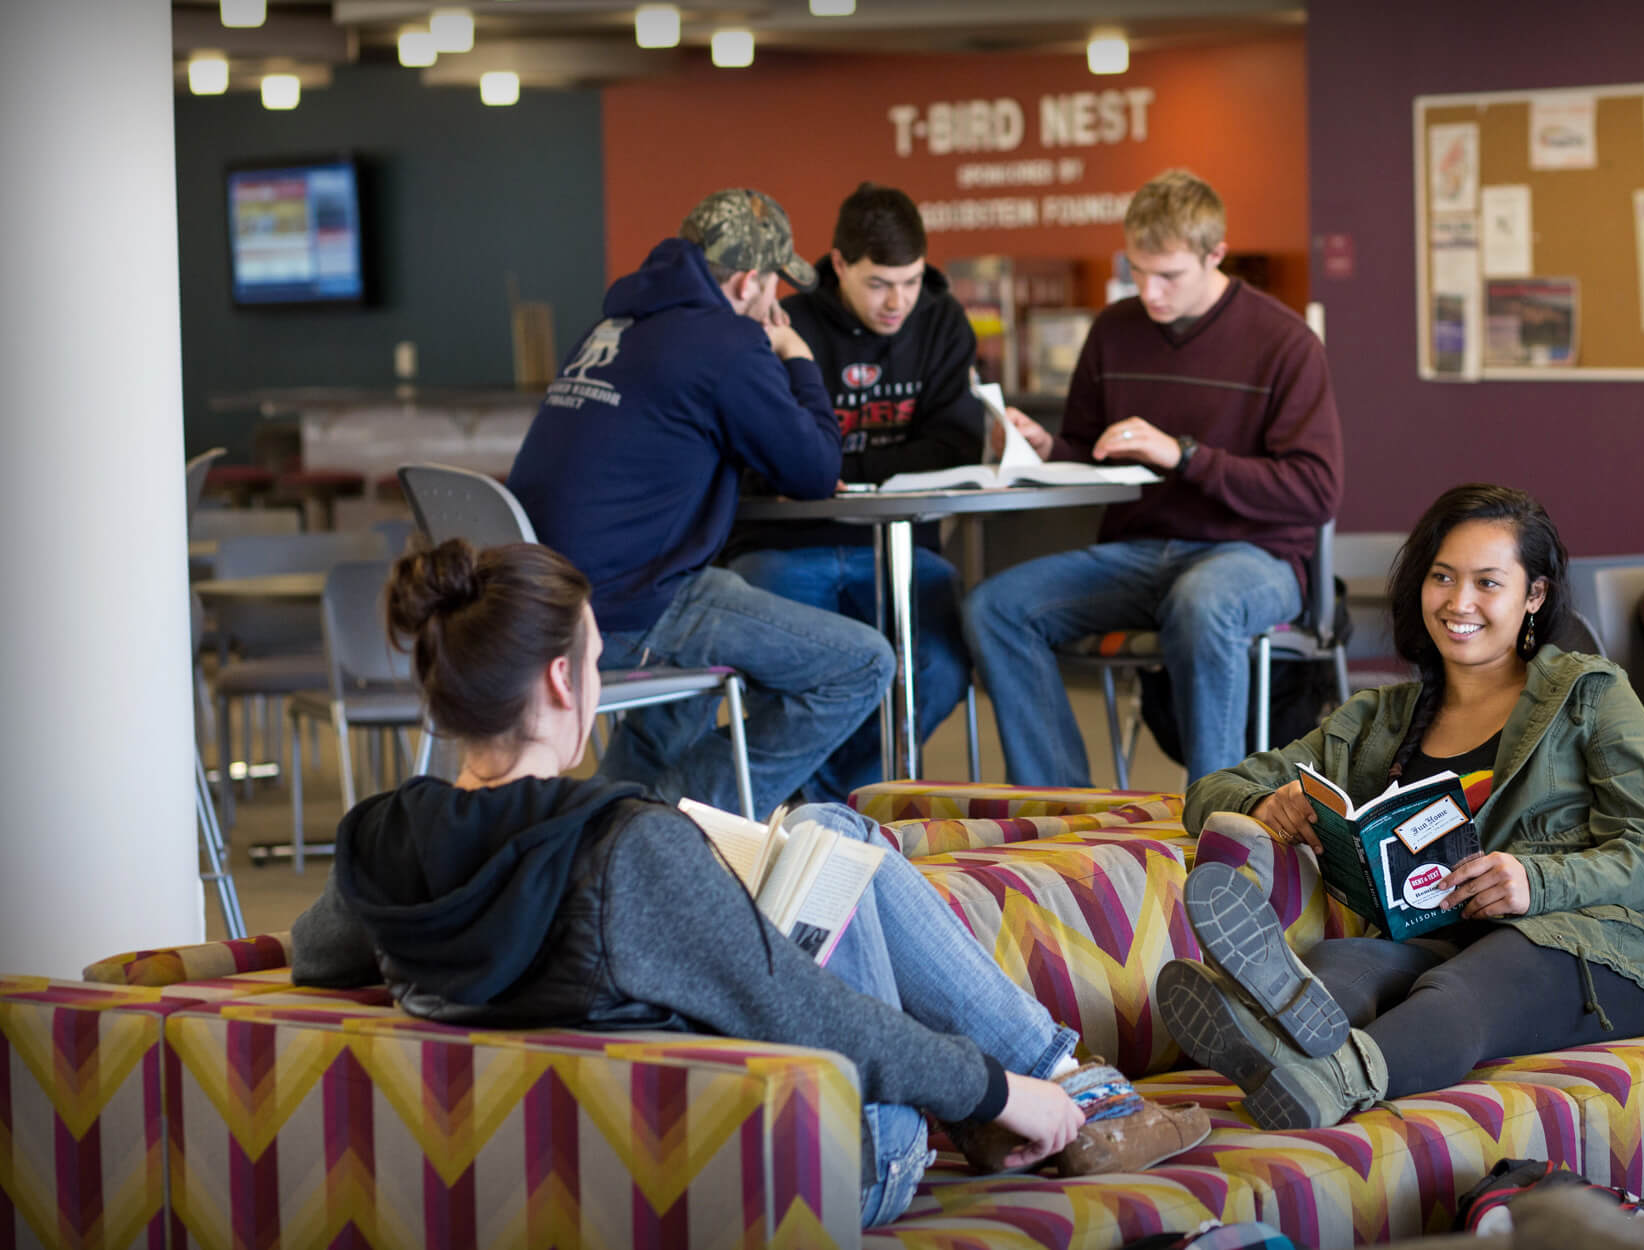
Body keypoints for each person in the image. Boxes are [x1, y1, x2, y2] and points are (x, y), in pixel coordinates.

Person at [289, 540, 1210, 1225]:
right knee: (829, 830)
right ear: (563, 680)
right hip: (803, 1165)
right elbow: (810, 1020)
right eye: (602, 662)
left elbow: (319, 957)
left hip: (570, 1164)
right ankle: (1066, 1092)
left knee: (819, 836)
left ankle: (1049, 1095)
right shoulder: (622, 848)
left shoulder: (384, 839)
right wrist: (1000, 1092)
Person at [1160, 483, 1644, 1131]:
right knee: (1337, 969)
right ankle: (1260, 1033)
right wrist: (1269, 803)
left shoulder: (1590, 696)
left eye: (1488, 583)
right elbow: (1207, 791)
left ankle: (1333, 1077)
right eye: (1442, 577)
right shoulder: (1377, 719)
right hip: (1442, 941)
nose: (1458, 603)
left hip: (1590, 954)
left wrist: (1533, 881)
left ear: (1535, 596)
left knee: (1463, 987)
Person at [507, 188, 894, 816]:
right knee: (860, 666)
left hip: (552, 595)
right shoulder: (726, 343)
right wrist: (797, 360)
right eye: (774, 286)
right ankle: (671, 827)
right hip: (631, 603)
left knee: (698, 670)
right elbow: (815, 472)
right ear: (747, 282)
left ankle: (604, 830)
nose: (776, 301)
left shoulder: (613, 324)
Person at [963, 168, 1343, 787]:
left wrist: (1185, 456)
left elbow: (1315, 489)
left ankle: (1220, 815)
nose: (1150, 292)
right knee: (994, 608)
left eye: (1168, 275)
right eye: (1137, 271)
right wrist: (1043, 448)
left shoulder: (1285, 342)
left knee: (1204, 599)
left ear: (1215, 255)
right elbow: (1089, 450)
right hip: (1139, 555)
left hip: (1254, 558)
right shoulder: (1114, 331)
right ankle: (1062, 808)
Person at [727, 183, 980, 797]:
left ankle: (831, 810)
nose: (898, 302)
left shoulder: (942, 321)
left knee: (941, 667)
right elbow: (758, 456)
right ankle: (845, 818)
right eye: (878, 284)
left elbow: (955, 447)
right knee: (796, 676)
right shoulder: (787, 322)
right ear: (837, 265)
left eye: (911, 282)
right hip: (785, 547)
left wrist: (830, 461)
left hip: (901, 549)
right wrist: (863, 461)